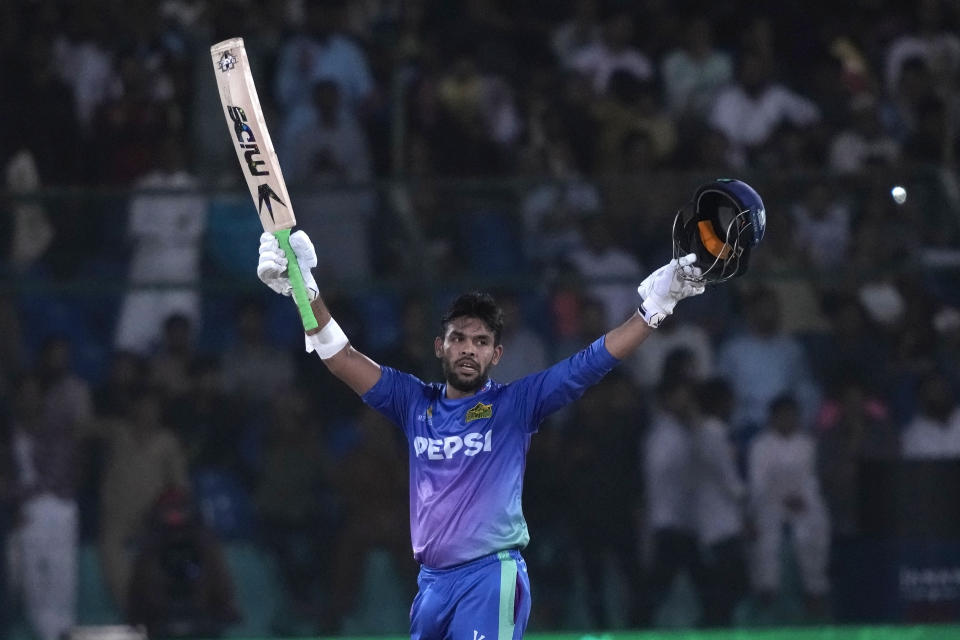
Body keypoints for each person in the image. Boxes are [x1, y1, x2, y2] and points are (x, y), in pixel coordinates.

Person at [254, 224, 706, 637]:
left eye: (481, 342)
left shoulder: (515, 405)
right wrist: (305, 291)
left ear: (496, 354)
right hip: (431, 584)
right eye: (459, 339)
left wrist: (654, 310)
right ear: (440, 347)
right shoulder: (412, 401)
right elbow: (341, 358)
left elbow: (588, 364)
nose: (469, 350)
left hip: (491, 576)